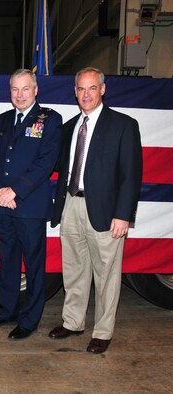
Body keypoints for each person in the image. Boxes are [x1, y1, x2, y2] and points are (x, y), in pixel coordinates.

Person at [48, 67, 142, 354]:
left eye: (91, 88)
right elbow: (58, 167)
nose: (85, 94)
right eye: (80, 89)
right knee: (74, 270)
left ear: (102, 89)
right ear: (75, 92)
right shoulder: (69, 127)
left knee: (106, 275)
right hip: (71, 205)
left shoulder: (123, 125)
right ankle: (73, 322)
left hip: (106, 211)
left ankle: (102, 331)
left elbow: (131, 173)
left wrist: (123, 214)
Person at [0, 69, 62, 340]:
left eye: (25, 88)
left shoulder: (50, 120)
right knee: (7, 261)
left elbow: (46, 163)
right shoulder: (2, 120)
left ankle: (29, 320)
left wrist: (15, 191)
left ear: (35, 90)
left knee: (34, 265)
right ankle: (7, 311)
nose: (19, 94)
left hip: (30, 206)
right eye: (15, 89)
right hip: (3, 204)